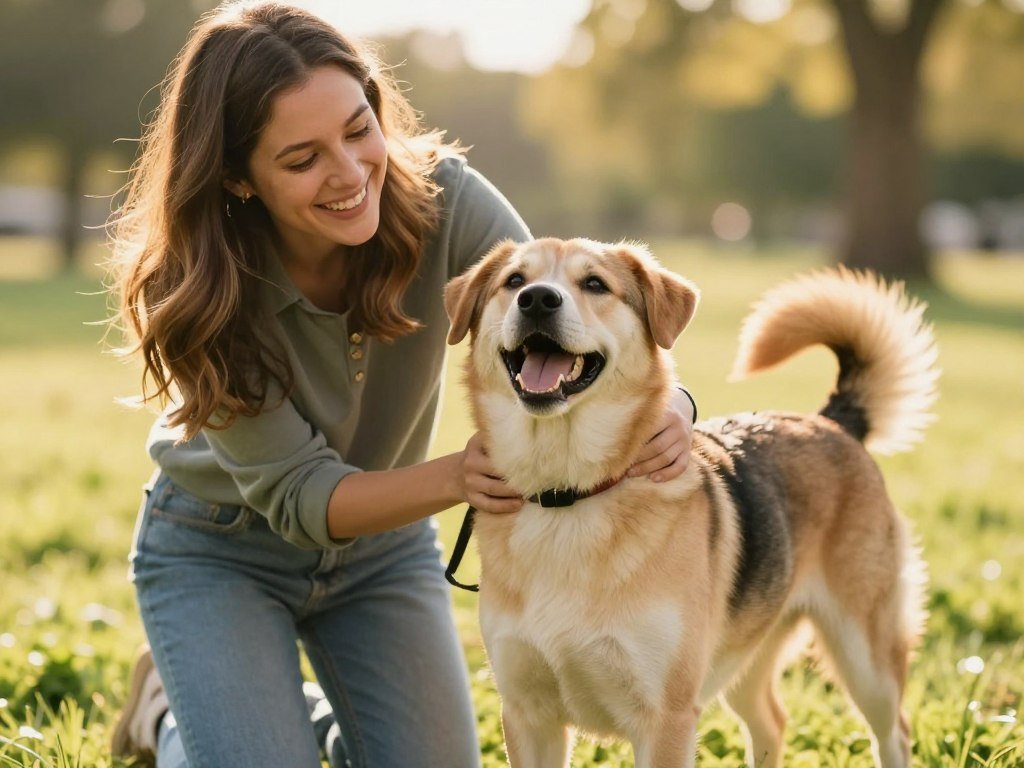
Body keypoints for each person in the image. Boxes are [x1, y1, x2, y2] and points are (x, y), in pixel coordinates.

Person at [106, 2, 697, 767]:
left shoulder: (444, 198)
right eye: (302, 158)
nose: (351, 173)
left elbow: (564, 310)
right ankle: (168, 714)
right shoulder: (202, 291)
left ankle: (295, 720)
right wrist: (460, 475)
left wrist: (674, 410)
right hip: (219, 552)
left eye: (359, 129)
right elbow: (304, 498)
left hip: (383, 551)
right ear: (237, 178)